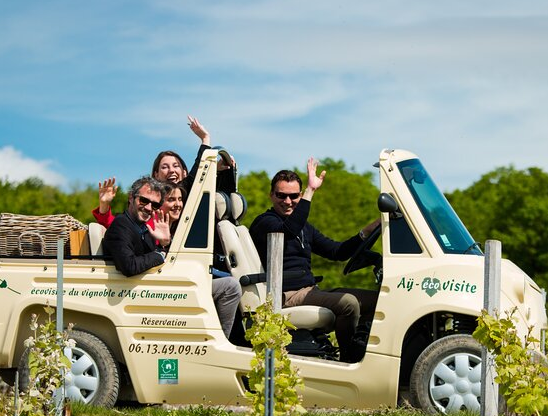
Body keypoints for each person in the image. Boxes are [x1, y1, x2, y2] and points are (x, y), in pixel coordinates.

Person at [249, 158, 380, 363]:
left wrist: (370, 229)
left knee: (379, 301)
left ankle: (366, 349)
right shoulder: (265, 222)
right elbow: (288, 231)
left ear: (298, 196)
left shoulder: (304, 227)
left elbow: (337, 251)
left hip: (310, 290)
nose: (287, 201)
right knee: (348, 303)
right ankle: (349, 360)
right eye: (281, 195)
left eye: (294, 196)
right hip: (285, 295)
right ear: (271, 195)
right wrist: (310, 190)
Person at [105, 177, 241, 339]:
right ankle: (220, 341)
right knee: (230, 287)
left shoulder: (141, 227)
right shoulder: (121, 225)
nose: (149, 208)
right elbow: (129, 266)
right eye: (143, 201)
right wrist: (160, 254)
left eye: (154, 205)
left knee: (228, 282)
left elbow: (156, 260)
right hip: (145, 292)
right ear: (131, 198)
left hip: (157, 289)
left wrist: (163, 244)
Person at [92, 116, 234, 228]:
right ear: (155, 175)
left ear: (184, 172)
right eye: (165, 167)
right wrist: (104, 205)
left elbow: (197, 175)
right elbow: (122, 225)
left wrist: (208, 148)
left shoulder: (189, 190)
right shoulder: (148, 200)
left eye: (176, 166)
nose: (171, 170)